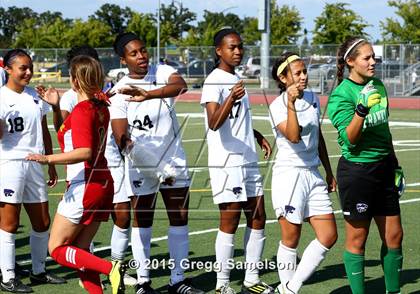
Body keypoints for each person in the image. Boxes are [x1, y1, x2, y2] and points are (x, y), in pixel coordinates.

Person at [110, 32, 203, 294]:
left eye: (143, 50)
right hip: (142, 165)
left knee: (179, 217)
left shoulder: (162, 71)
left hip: (173, 159)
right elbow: (120, 136)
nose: (141, 57)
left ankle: (178, 280)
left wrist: (148, 94)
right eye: (134, 53)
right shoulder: (119, 91)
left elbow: (180, 85)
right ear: (123, 59)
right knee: (143, 219)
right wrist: (153, 166)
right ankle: (143, 282)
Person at [36, 45, 136, 287]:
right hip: (102, 183)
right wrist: (55, 106)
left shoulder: (84, 109)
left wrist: (47, 159)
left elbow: (83, 151)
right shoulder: (100, 106)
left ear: (75, 80)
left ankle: (110, 268)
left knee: (57, 249)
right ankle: (105, 276)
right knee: (81, 254)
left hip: (86, 185)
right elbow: (66, 132)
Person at [327, 37, 404, 294]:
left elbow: (384, 130)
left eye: (374, 57)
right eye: (366, 58)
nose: (373, 62)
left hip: (384, 169)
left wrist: (395, 165)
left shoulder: (378, 86)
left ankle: (393, 291)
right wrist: (360, 109)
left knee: (394, 237)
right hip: (358, 172)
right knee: (357, 239)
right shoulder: (341, 95)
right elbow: (350, 138)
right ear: (350, 62)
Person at [200, 27, 273, 294]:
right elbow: (215, 122)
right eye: (232, 47)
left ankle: (251, 280)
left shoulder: (236, 76)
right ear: (219, 51)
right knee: (230, 221)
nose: (238, 51)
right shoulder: (214, 80)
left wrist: (256, 134)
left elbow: (237, 120)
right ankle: (221, 285)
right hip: (227, 163)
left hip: (247, 159)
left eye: (240, 46)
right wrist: (230, 97)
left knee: (258, 216)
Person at [269, 52, 337, 294]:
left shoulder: (313, 97)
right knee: (291, 238)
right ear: (284, 78)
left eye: (304, 71)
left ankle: (288, 288)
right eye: (297, 73)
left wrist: (328, 171)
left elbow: (317, 137)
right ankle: (288, 290)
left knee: (329, 235)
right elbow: (294, 136)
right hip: (289, 176)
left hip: (313, 173)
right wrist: (290, 103)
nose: (303, 77)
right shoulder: (277, 105)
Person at [0, 49, 65, 292]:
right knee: (10, 223)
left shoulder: (36, 97)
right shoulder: (1, 98)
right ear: (8, 69)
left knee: (42, 222)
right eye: (23, 68)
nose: (29, 72)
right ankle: (8, 277)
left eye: (30, 67)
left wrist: (50, 162)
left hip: (36, 163)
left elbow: (48, 130)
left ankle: (39, 272)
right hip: (9, 164)